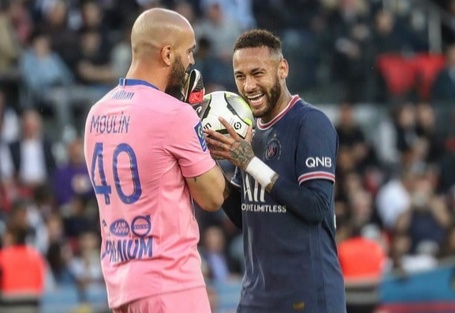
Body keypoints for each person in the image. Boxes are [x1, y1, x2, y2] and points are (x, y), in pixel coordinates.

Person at [83, 8, 226, 313]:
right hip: (170, 284)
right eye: (189, 52)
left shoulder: (96, 112)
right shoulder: (175, 114)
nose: (191, 62)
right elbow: (213, 197)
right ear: (167, 54)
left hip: (120, 284)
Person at [204, 29, 346, 313]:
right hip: (256, 297)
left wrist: (250, 163)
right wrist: (209, 160)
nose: (248, 86)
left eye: (258, 73)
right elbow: (247, 216)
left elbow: (316, 206)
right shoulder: (249, 132)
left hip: (307, 296)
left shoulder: (311, 123)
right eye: (240, 76)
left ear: (282, 69)